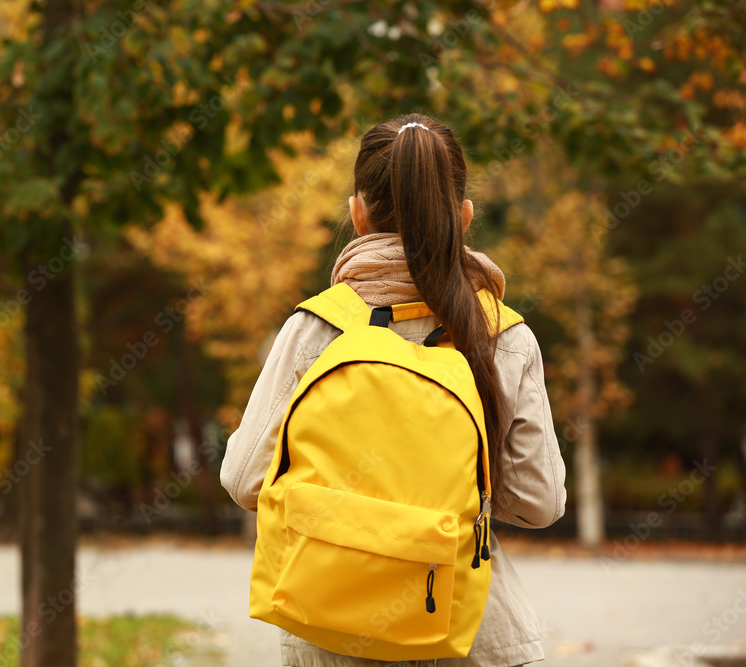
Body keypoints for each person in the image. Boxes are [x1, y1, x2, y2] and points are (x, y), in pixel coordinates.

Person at [219, 113, 567, 667]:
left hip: (329, 626)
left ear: (358, 214)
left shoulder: (317, 328)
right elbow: (540, 504)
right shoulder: (504, 334)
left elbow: (243, 481)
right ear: (464, 216)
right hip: (467, 626)